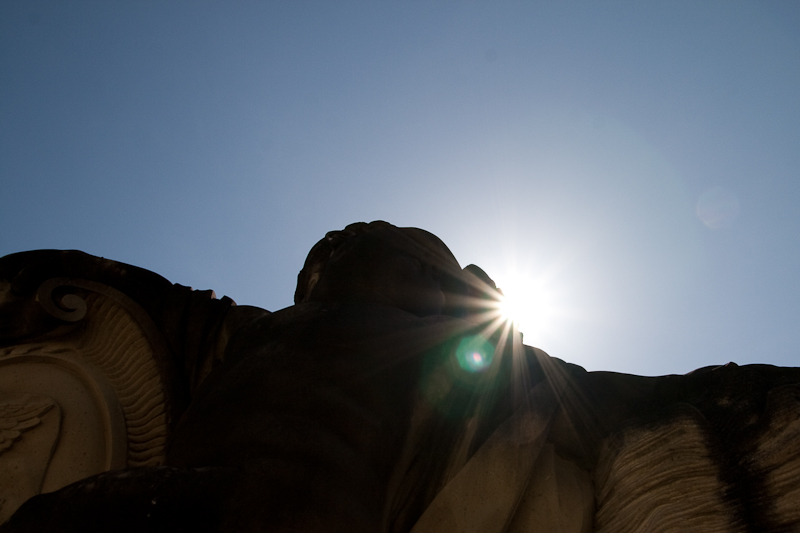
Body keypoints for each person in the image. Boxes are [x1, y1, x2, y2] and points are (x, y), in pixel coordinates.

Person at [2, 221, 799, 532]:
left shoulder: (491, 360)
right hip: (200, 495)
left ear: (449, 284)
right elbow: (159, 310)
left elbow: (633, 396)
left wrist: (744, 390)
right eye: (330, 248)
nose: (340, 249)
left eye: (375, 244)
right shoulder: (247, 334)